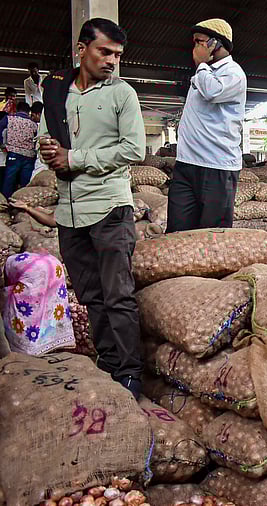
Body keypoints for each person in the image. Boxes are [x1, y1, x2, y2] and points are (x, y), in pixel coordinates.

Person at [36, 17, 145, 399]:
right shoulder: (57, 93)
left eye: (117, 55)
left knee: (118, 294)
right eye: (105, 52)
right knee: (90, 295)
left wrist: (75, 157)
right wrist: (48, 151)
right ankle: (110, 361)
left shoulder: (122, 95)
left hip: (109, 207)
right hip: (69, 210)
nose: (112, 61)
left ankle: (131, 372)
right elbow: (44, 137)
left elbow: (134, 149)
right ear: (80, 50)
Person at [168, 18, 247, 233]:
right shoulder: (203, 73)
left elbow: (213, 92)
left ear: (216, 43)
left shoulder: (234, 73)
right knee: (178, 231)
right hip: (187, 163)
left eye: (199, 42)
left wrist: (201, 65)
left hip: (216, 167)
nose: (195, 49)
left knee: (212, 237)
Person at [0, 101, 39, 197]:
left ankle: (5, 203)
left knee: (9, 179)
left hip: (14, 154)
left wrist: (1, 143)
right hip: (29, 156)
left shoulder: (9, 119)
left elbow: (0, 127)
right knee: (25, 182)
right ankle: (23, 203)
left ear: (17, 110)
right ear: (28, 112)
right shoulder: (33, 123)